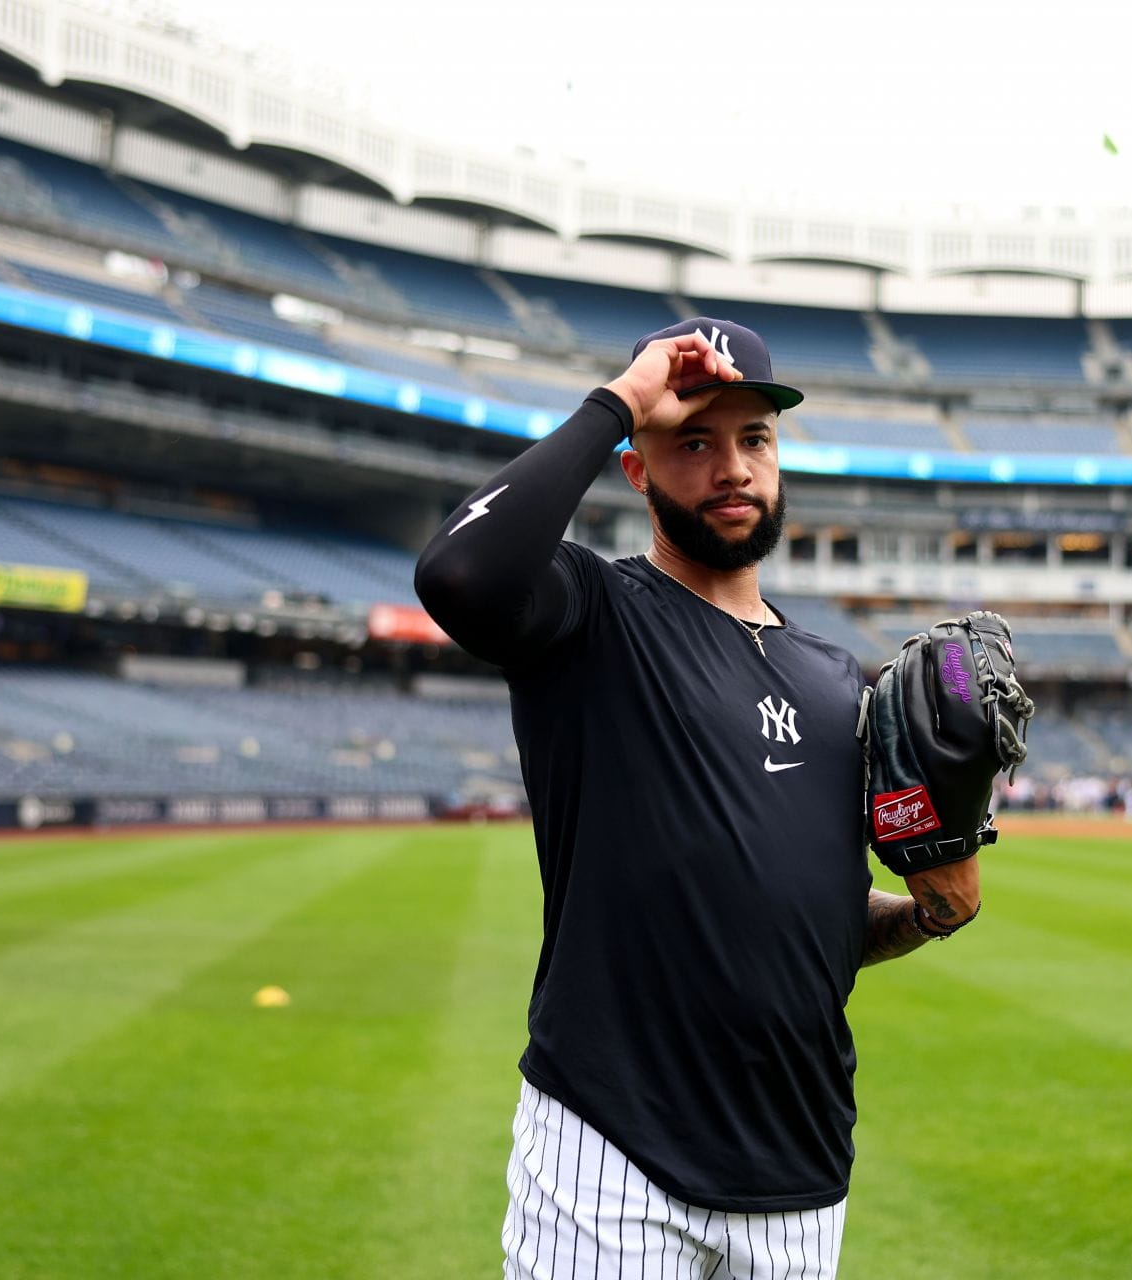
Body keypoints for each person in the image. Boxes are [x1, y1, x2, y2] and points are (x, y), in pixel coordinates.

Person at [414, 318, 981, 1279]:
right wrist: (621, 403)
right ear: (638, 473)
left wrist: (929, 912)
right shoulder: (592, 613)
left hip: (800, 1172)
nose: (732, 468)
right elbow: (460, 573)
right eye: (694, 441)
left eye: (754, 440)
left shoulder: (841, 681)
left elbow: (823, 924)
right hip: (611, 1154)